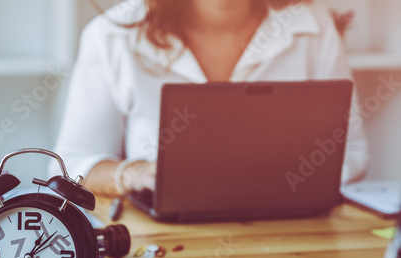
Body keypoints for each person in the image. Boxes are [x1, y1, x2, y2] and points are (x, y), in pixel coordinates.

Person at [50, 0, 369, 197]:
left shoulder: (314, 26)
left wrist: (285, 178)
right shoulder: (112, 35)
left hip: (294, 240)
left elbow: (351, 149)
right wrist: (134, 174)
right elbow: (68, 169)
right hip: (162, 247)